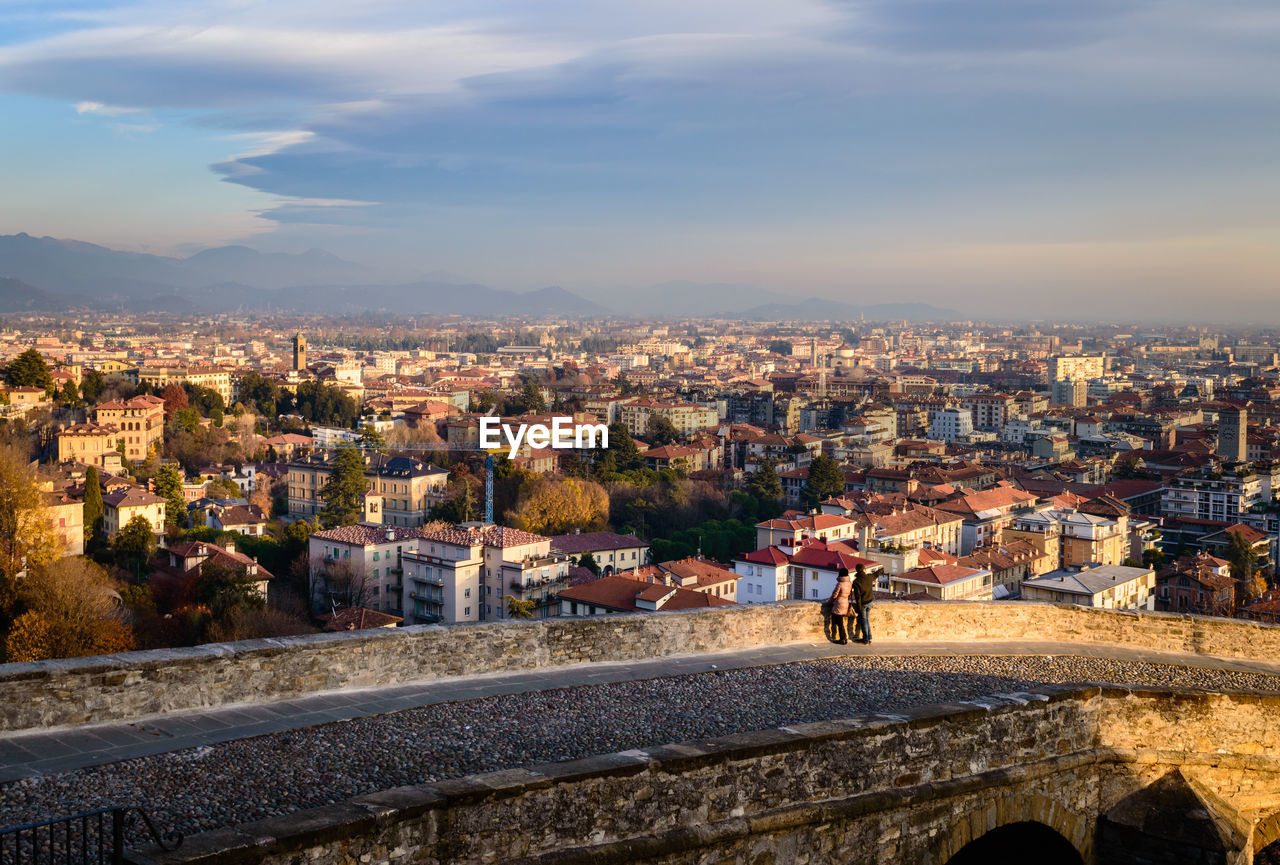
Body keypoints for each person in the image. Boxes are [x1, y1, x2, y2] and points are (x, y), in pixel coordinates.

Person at [828, 567, 853, 645]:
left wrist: (829, 601)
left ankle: (842, 639)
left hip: (839, 603)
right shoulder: (849, 583)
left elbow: (835, 594)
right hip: (846, 602)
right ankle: (843, 638)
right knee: (840, 621)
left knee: (839, 622)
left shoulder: (840, 584)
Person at [853, 563, 876, 644]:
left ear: (857, 570)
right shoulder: (869, 577)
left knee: (864, 621)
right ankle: (869, 637)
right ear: (864, 569)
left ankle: (866, 639)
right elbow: (876, 574)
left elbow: (857, 597)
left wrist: (858, 607)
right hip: (870, 601)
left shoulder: (856, 582)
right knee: (866, 620)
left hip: (863, 603)